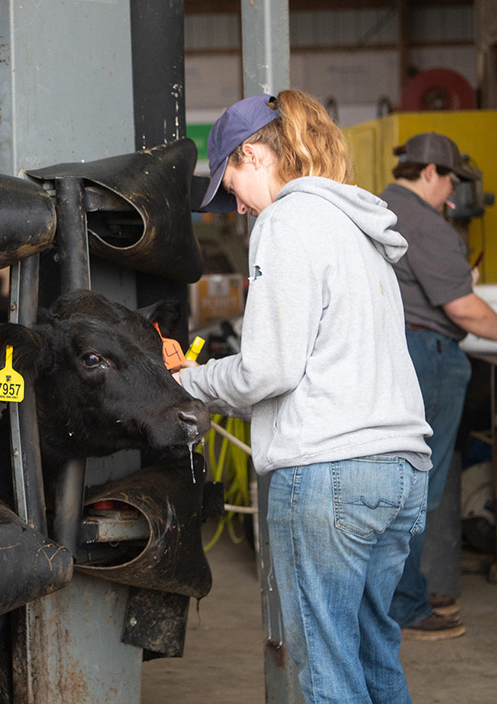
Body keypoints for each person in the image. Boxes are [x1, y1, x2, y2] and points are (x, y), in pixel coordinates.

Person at [176, 91, 432, 704]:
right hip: (401, 470)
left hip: (330, 474)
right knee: (373, 655)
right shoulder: (360, 228)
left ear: (257, 154)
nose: (236, 202)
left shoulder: (287, 221)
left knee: (324, 671)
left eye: (232, 179)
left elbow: (269, 369)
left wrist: (188, 380)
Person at [379, 132, 497, 641]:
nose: (453, 190)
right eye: (451, 178)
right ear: (429, 172)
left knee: (395, 481)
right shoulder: (425, 222)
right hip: (427, 355)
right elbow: (463, 309)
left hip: (396, 351)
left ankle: (394, 597)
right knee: (417, 487)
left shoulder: (378, 208)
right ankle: (404, 602)